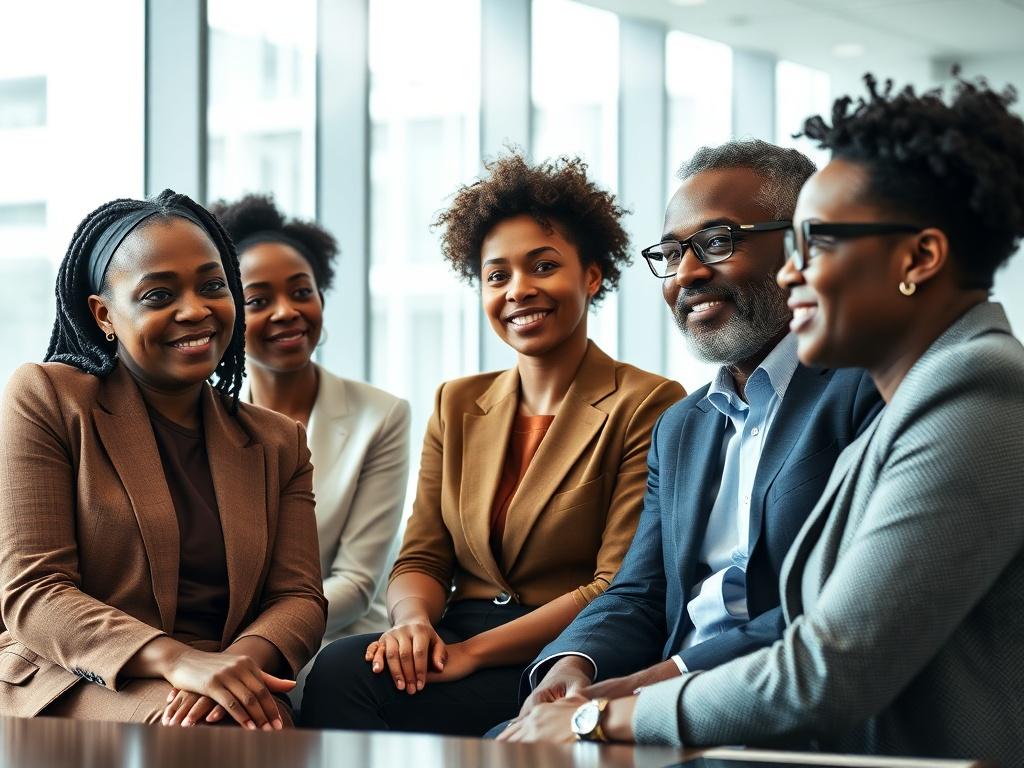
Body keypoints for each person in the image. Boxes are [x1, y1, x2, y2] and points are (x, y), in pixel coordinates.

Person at [505, 75, 1024, 764]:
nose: (789, 274)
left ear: (918, 258)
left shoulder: (978, 391)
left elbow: (824, 671)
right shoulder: (929, 390)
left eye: (816, 244)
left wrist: (596, 719)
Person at [500, 140, 882, 735]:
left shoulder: (863, 390)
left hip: (774, 707)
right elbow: (638, 591)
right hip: (657, 702)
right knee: (504, 745)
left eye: (719, 242)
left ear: (802, 245)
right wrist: (572, 665)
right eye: (673, 253)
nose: (688, 274)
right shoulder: (682, 424)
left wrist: (643, 687)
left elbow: (830, 606)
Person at [300, 153, 684, 735]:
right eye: (497, 275)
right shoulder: (458, 403)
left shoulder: (647, 402)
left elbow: (615, 585)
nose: (519, 290)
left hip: (564, 646)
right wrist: (411, 624)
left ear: (592, 275)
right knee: (339, 668)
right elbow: (423, 555)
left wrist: (472, 655)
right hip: (455, 629)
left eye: (544, 266)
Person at [0, 190, 327, 729]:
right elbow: (35, 591)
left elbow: (298, 598)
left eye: (214, 286)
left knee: (236, 726)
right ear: (104, 314)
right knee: (218, 734)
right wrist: (181, 662)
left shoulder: (277, 440)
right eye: (157, 295)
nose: (195, 309)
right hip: (77, 676)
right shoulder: (49, 397)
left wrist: (229, 671)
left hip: (224, 682)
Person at [211, 195, 411, 706]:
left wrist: (254, 643)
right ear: (228, 311)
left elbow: (357, 581)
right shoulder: (203, 416)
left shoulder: (380, 416)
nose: (287, 312)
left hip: (334, 643)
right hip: (215, 644)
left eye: (302, 292)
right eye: (258, 300)